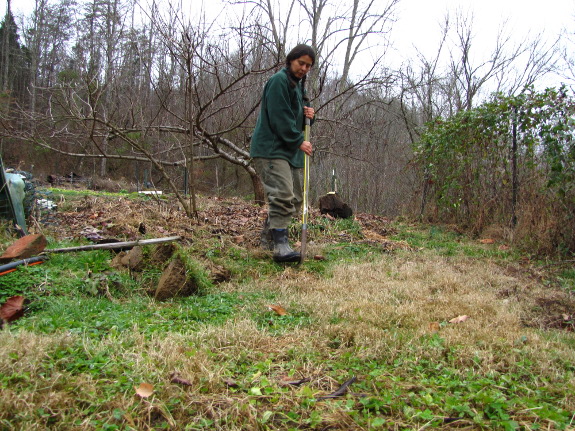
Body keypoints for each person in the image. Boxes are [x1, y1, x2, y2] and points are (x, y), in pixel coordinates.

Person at [250, 44, 316, 263]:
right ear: (290, 60)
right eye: (301, 63)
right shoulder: (279, 81)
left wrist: (309, 115)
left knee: (295, 198)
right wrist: (299, 141)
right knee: (282, 195)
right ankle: (280, 247)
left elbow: (294, 115)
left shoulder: (297, 86)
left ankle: (268, 240)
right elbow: (279, 116)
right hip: (271, 148)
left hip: (287, 150)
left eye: (308, 65)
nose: (304, 68)